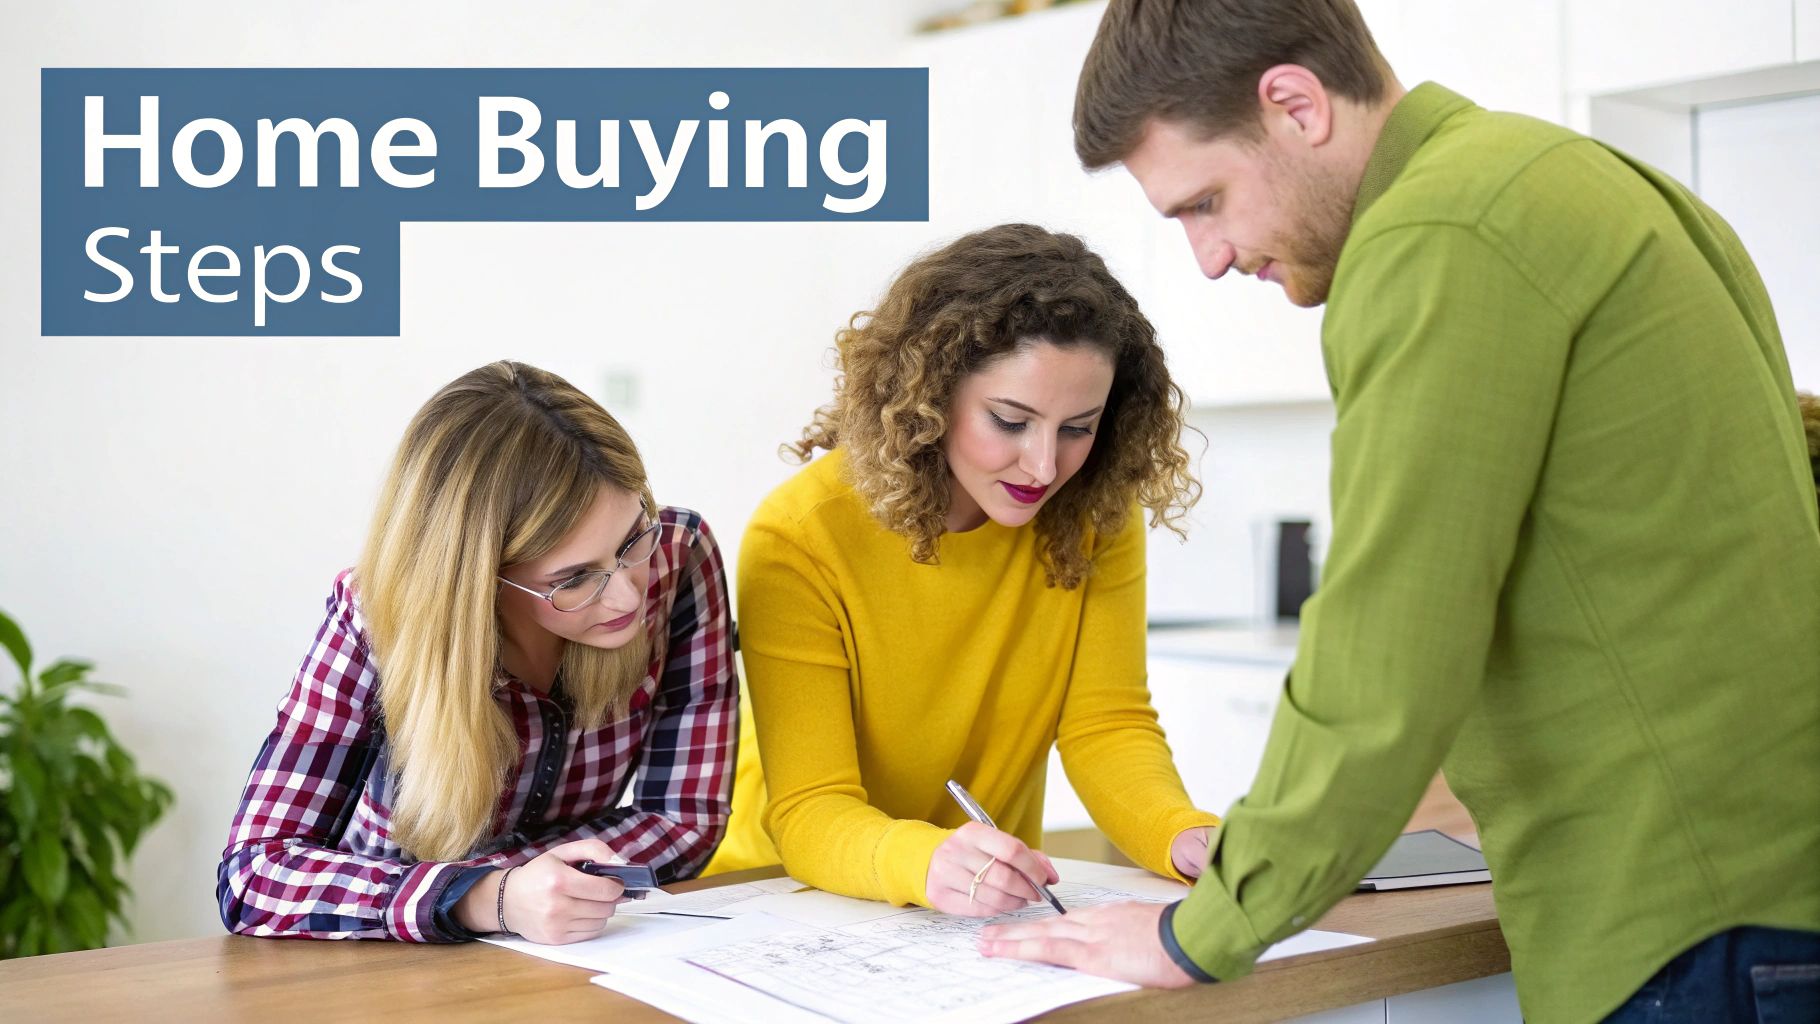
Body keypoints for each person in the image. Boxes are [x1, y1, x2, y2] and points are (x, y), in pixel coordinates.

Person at [978, 3, 1820, 1022]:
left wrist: (1199, 929)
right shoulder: (1594, 182)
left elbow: (1386, 642)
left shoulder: (1433, 233)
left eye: (1204, 201)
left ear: (1293, 104)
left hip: (1680, 929)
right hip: (1765, 895)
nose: (1207, 255)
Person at [704, 223, 1222, 915]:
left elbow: (1107, 725)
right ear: (929, 396)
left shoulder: (1093, 512)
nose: (1045, 467)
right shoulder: (800, 535)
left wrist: (1180, 832)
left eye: (1078, 428)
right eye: (1010, 420)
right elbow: (811, 809)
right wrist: (929, 862)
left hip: (981, 907)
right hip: (787, 896)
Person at [217, 360, 737, 944]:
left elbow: (686, 818)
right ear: (480, 580)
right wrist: (487, 896)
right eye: (573, 579)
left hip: (574, 951)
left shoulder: (678, 556)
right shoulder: (377, 619)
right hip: (381, 963)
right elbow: (253, 875)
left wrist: (544, 891)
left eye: (631, 540)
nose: (626, 593)